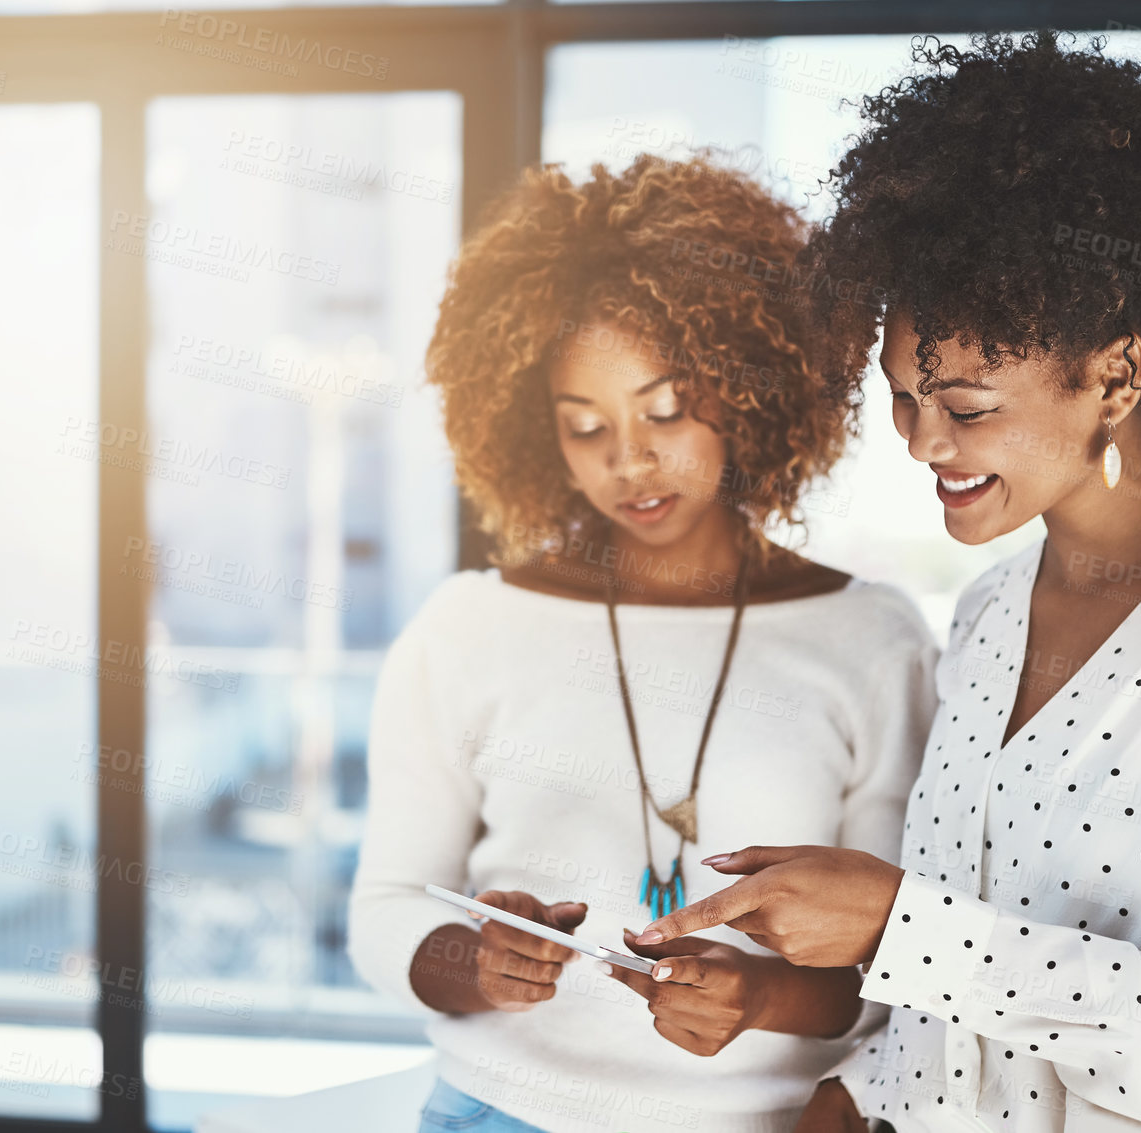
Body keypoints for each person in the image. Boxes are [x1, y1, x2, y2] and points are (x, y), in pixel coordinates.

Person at [630, 33, 1141, 1133]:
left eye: (964, 403)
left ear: (1115, 373)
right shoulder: (991, 613)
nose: (920, 443)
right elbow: (965, 1016)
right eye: (901, 397)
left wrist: (898, 923)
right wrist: (843, 1090)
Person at [348, 152, 941, 1133]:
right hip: (499, 1112)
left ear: (751, 389)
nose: (629, 461)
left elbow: (895, 962)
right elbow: (383, 906)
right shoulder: (468, 626)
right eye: (584, 427)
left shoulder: (871, 641)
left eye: (665, 409)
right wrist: (474, 962)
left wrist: (757, 995)